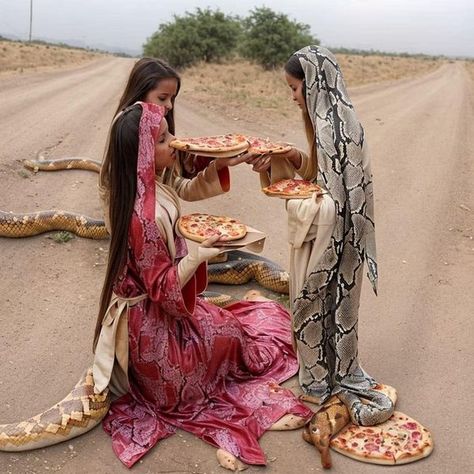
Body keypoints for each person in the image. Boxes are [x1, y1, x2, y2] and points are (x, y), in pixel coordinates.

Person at [91, 101, 312, 469]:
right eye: (163, 140)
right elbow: (162, 290)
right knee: (219, 356)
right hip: (152, 327)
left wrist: (222, 160)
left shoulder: (144, 184)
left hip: (161, 309)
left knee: (230, 328)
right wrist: (199, 255)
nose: (174, 143)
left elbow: (186, 180)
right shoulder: (140, 216)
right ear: (144, 153)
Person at [246, 45, 394, 426]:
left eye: (295, 88)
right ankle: (321, 376)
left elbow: (337, 203)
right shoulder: (328, 120)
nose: (293, 97)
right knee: (317, 308)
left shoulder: (338, 128)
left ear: (314, 85)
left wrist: (298, 194)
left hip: (336, 240)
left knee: (315, 304)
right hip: (330, 233)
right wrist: (290, 159)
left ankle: (324, 381)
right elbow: (319, 174)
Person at [99, 57, 235, 206]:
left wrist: (219, 160)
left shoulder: (162, 132)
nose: (169, 105)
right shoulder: (126, 130)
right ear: (139, 94)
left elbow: (177, 185)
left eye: (172, 98)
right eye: (163, 98)